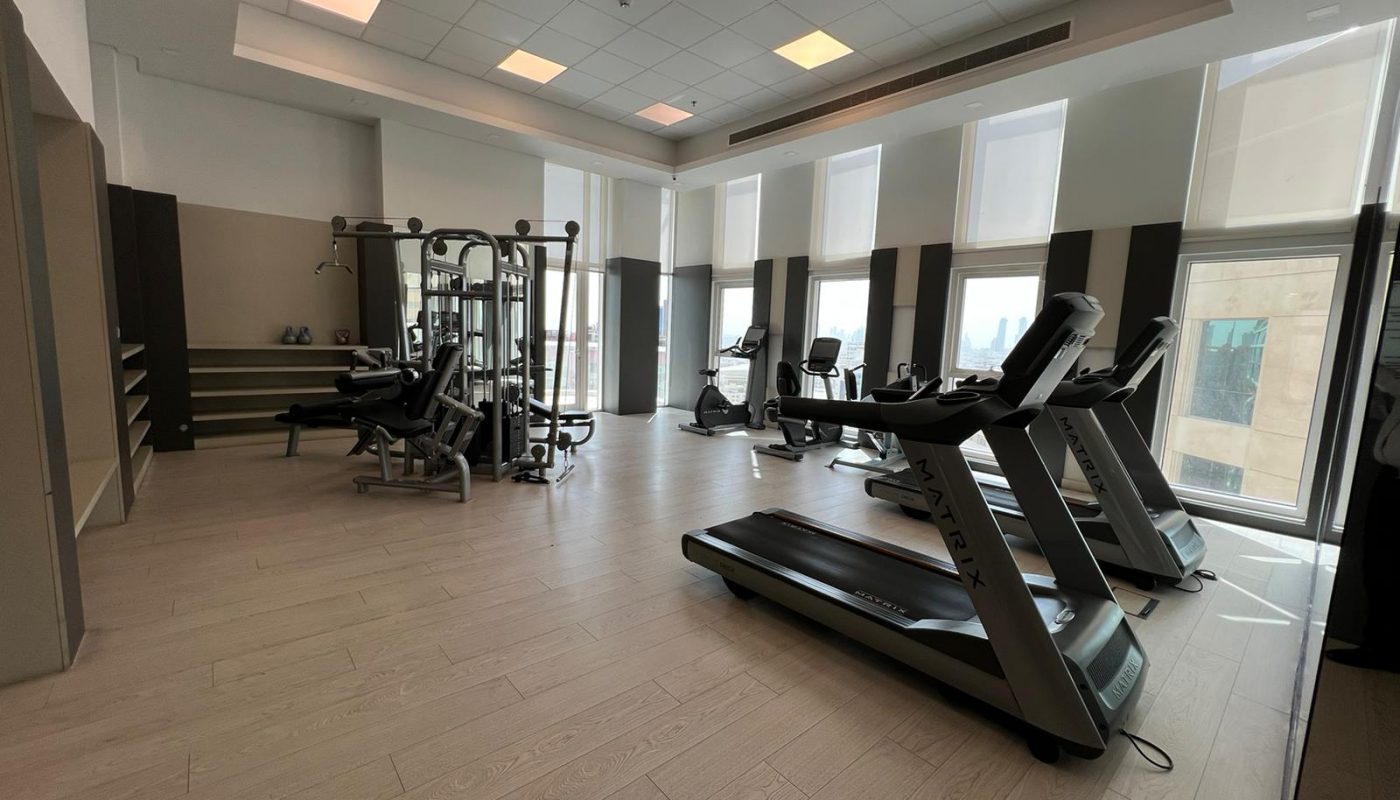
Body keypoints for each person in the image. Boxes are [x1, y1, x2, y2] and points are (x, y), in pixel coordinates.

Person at [1327, 364, 1400, 671]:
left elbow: (1389, 382)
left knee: (1385, 567)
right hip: (1389, 477)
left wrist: (1374, 365)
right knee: (1378, 565)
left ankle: (1381, 651)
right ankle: (1377, 646)